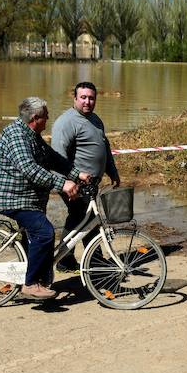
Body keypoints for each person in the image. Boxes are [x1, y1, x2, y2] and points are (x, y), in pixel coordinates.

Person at [0, 97, 90, 299]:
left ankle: (38, 278)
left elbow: (52, 158)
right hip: (12, 198)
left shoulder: (31, 134)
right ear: (35, 118)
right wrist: (63, 184)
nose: (48, 118)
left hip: (28, 197)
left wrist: (77, 174)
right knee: (44, 233)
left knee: (33, 239)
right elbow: (31, 170)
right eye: (46, 116)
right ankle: (31, 284)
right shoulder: (16, 136)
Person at [51, 81, 120, 272]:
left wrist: (112, 171)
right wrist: (66, 183)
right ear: (75, 98)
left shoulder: (95, 119)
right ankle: (90, 262)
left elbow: (104, 147)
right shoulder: (66, 122)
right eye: (83, 97)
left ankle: (70, 260)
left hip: (90, 184)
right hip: (72, 183)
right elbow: (57, 157)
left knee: (81, 220)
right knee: (86, 220)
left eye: (91, 98)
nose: (87, 102)